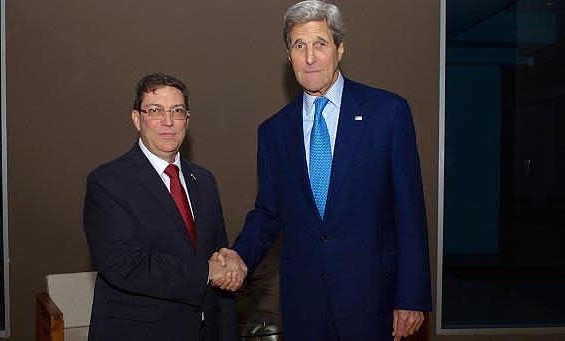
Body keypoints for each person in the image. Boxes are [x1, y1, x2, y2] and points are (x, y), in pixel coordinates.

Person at [219, 1, 432, 340]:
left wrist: (412, 296)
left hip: (372, 301)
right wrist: (239, 256)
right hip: (304, 305)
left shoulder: (387, 114)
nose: (310, 56)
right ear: (289, 56)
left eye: (320, 43)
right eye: (299, 46)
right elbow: (268, 213)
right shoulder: (273, 132)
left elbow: (409, 211)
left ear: (340, 49)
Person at [83, 73, 244, 341]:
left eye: (177, 111)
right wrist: (206, 271)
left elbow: (218, 256)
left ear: (187, 121)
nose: (168, 122)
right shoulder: (108, 182)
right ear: (136, 119)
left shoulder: (203, 180)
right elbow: (124, 264)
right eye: (155, 110)